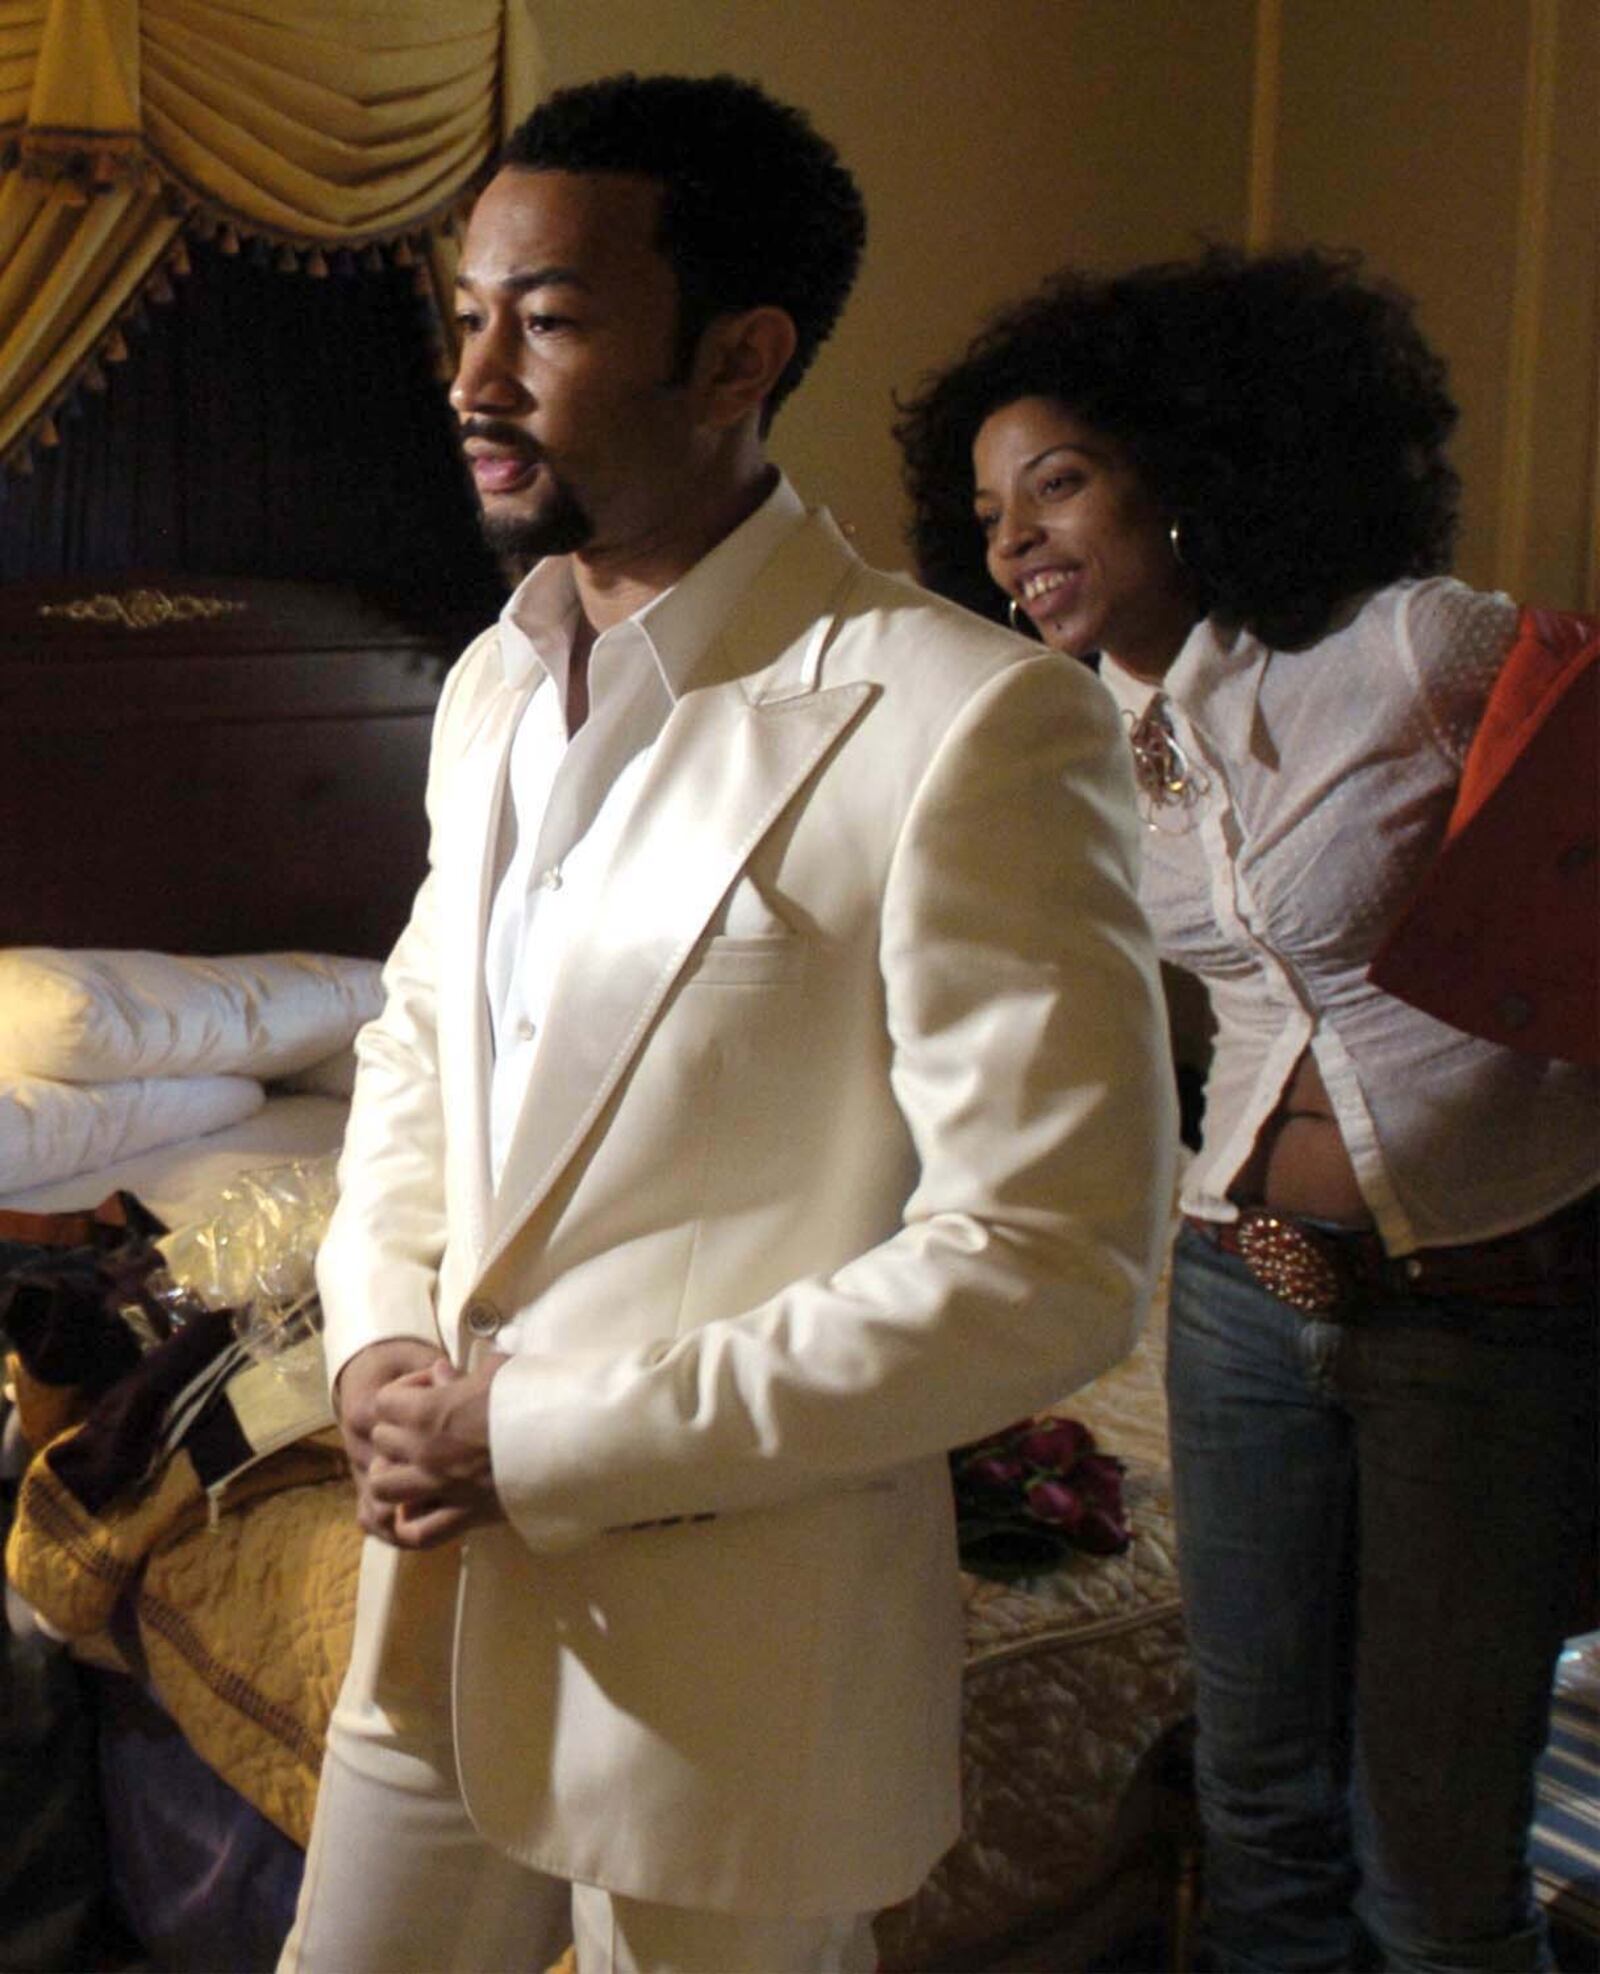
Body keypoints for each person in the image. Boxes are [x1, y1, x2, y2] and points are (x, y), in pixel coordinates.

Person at [281, 73, 1177, 1974]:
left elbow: (1053, 1257)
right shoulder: (492, 686)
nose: (477, 375)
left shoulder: (963, 721)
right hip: (429, 1619)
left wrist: (548, 1433)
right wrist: (373, 1343)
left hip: (735, 1668)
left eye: (552, 317)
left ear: (739, 355)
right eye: (468, 315)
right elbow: (420, 1052)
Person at [895, 245, 1599, 1974]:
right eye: (987, 510)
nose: (1013, 541)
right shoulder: (1069, 738)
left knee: (1434, 1854)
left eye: (1056, 481)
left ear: (1188, 470)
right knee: (1263, 1802)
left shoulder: (1416, 649)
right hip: (1230, 1291)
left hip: (1484, 1305)